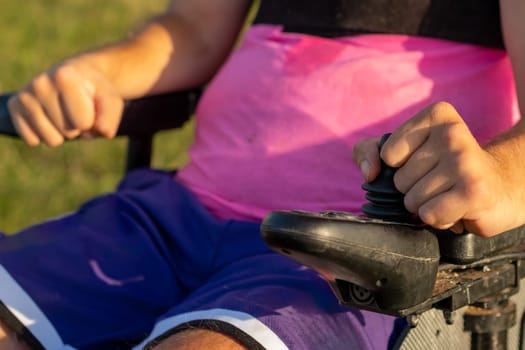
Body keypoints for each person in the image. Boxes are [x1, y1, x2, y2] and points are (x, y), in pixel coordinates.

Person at [1, 0, 524, 349]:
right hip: (173, 215)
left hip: (351, 256)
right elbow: (194, 30)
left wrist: (498, 170)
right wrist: (99, 76)